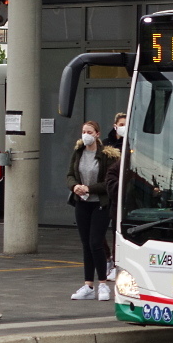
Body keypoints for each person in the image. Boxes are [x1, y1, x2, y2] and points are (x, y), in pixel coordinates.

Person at [67, 121, 120, 301]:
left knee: (96, 243)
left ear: (97, 134)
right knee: (86, 244)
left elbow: (108, 182)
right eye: (84, 131)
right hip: (82, 203)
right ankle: (88, 285)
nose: (86, 135)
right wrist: (75, 186)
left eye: (89, 132)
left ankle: (103, 284)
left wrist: (89, 188)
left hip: (100, 203)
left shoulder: (107, 155)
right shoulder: (78, 152)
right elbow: (70, 174)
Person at [102, 112, 126, 281]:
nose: (123, 127)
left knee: (116, 231)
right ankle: (107, 257)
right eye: (121, 124)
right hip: (104, 191)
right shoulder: (105, 145)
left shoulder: (131, 143)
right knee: (98, 232)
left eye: (126, 124)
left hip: (117, 193)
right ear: (115, 125)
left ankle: (116, 263)